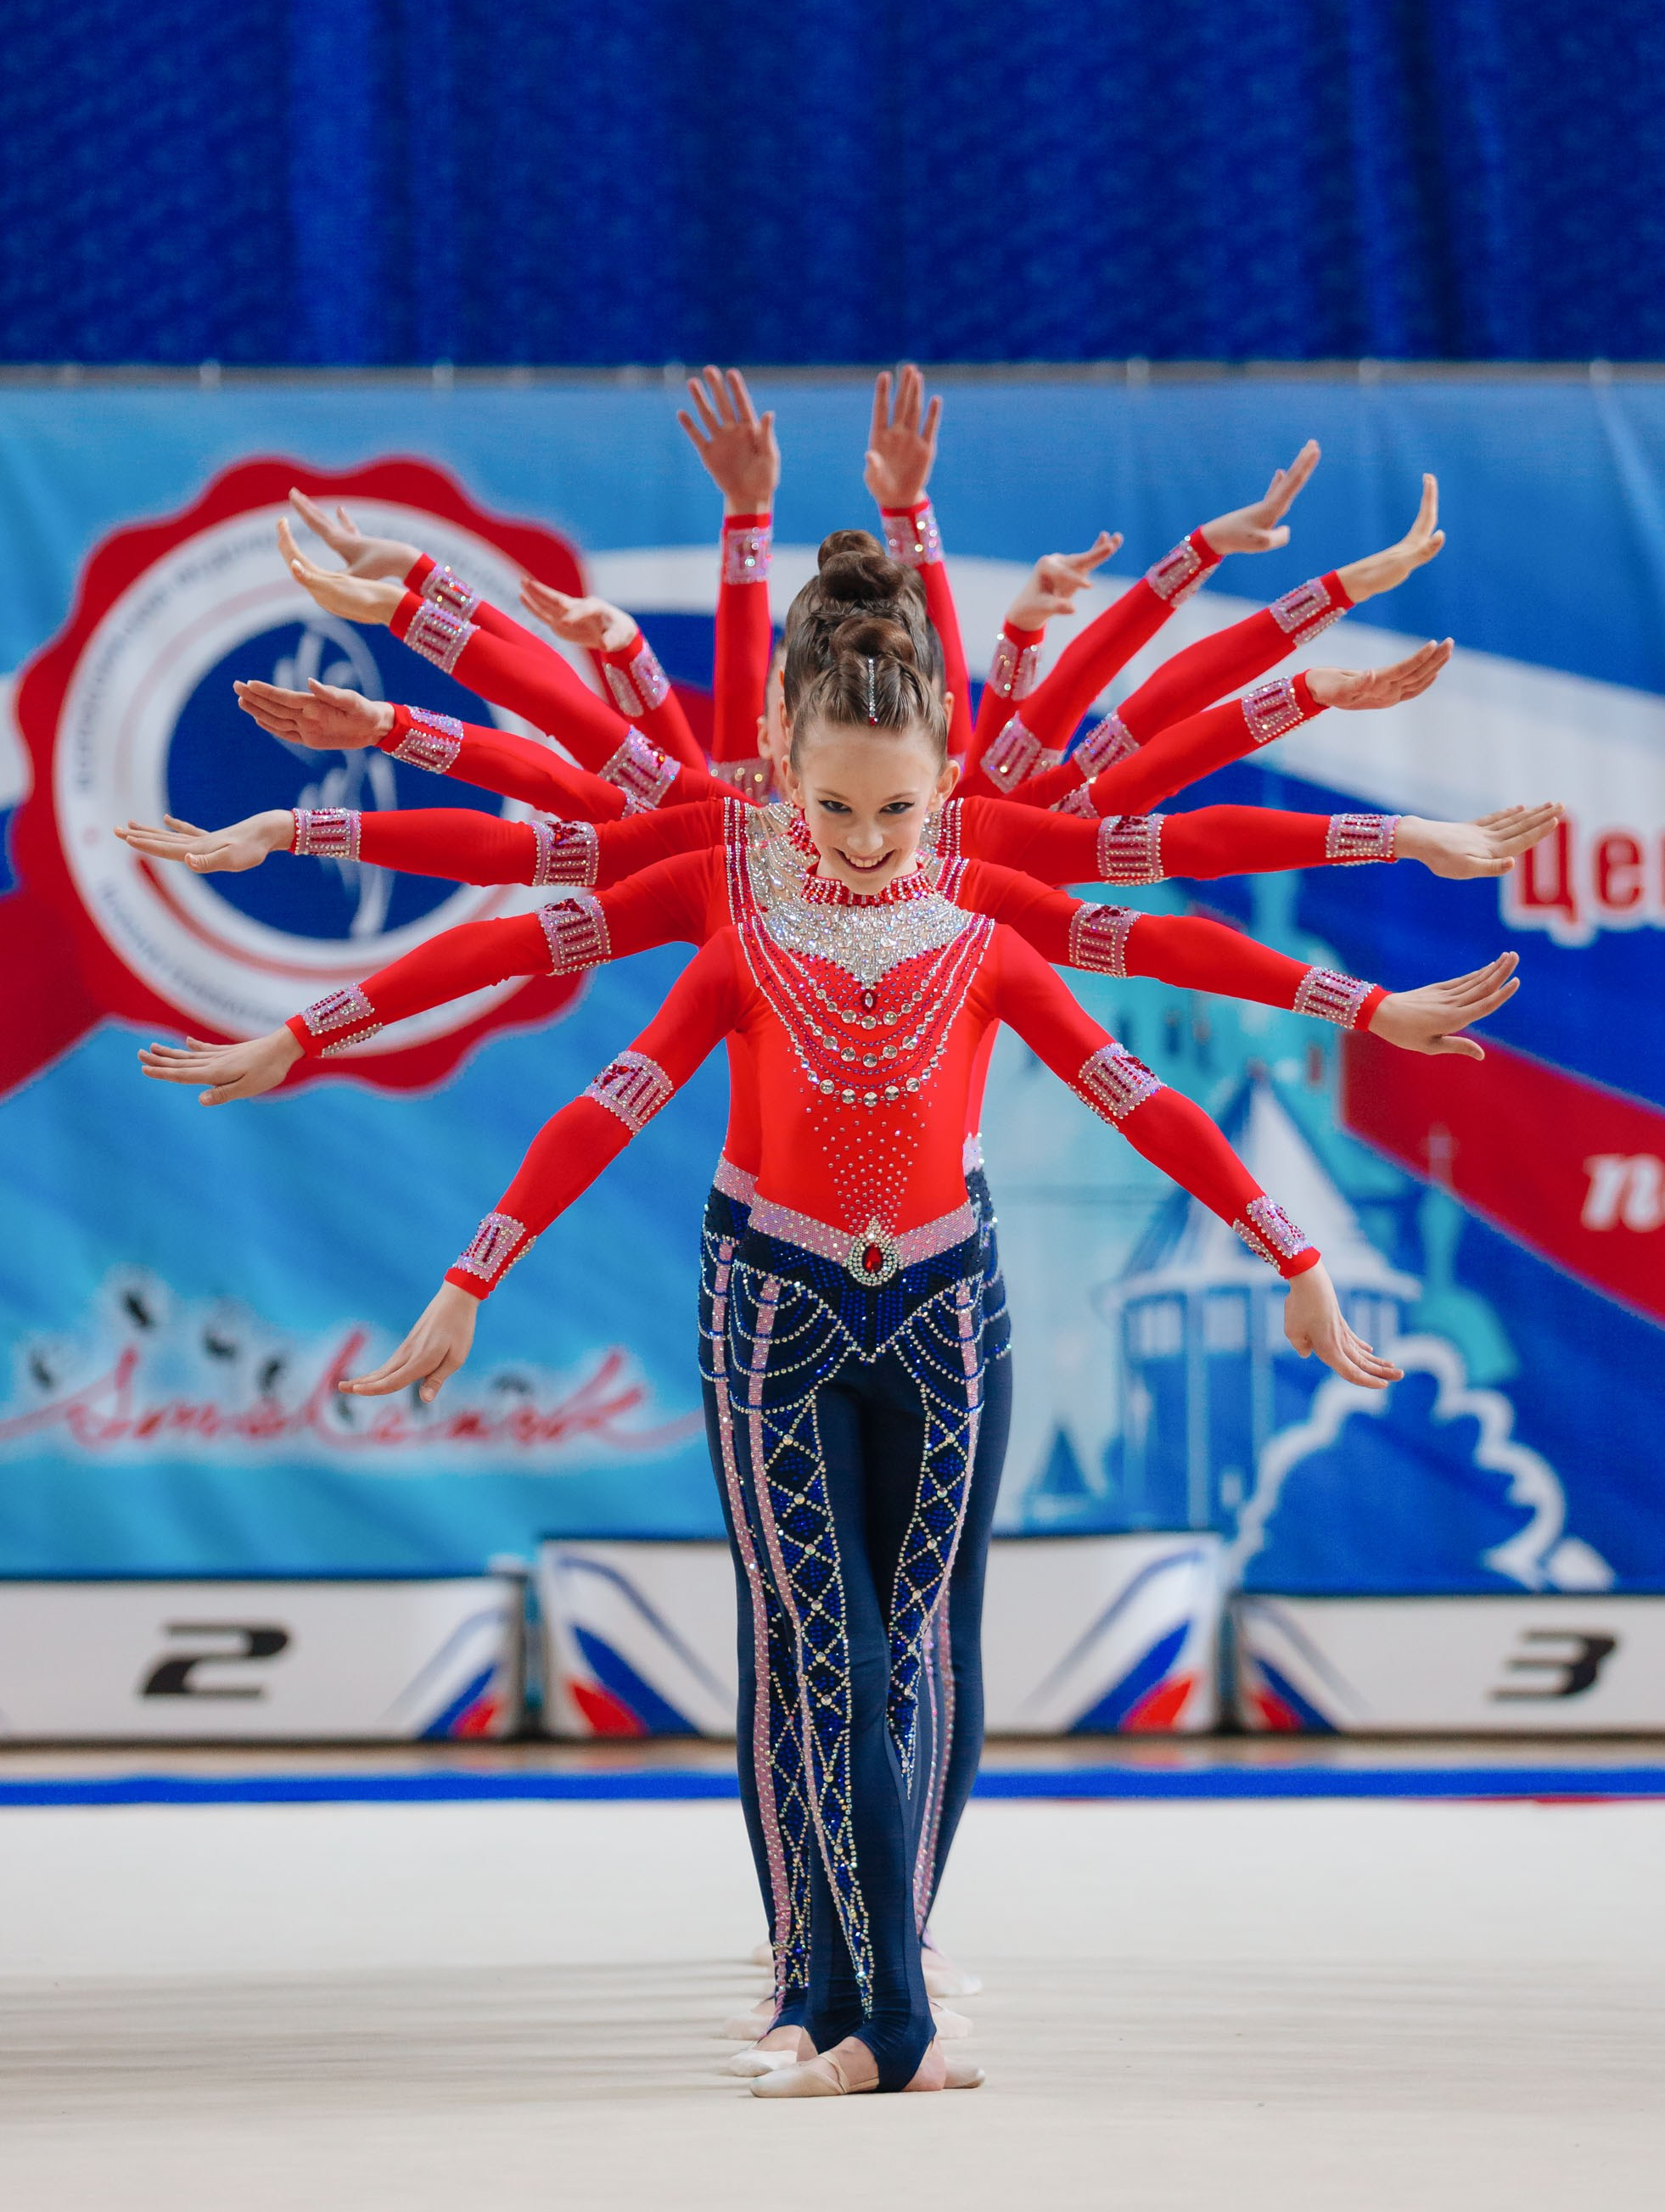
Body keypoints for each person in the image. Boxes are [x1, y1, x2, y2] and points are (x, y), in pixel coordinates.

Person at [136, 603, 1522, 2094]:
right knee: (821, 1659)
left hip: (940, 1310)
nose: (866, 841)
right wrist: (318, 907)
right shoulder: (728, 897)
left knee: (913, 1656)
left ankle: (877, 1988)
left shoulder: (986, 914)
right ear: (780, 768)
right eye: (837, 807)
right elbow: (545, 929)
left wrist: (1304, 1202)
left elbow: (1172, 937)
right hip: (776, 1304)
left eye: (901, 808)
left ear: (948, 784)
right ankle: (841, 1990)